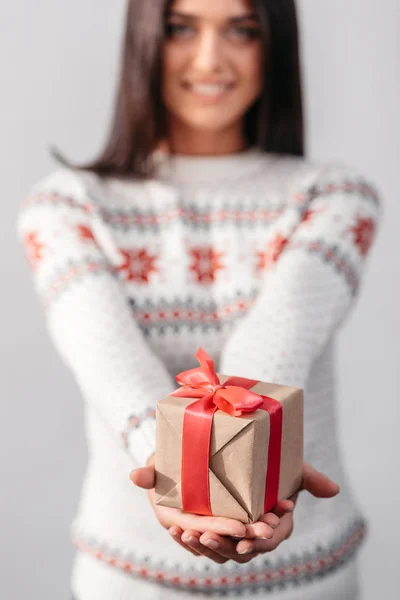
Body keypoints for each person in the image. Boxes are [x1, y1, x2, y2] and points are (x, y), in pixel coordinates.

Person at [17, 0, 381, 598]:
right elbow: (114, 370)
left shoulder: (335, 197)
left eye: (242, 30)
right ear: (144, 40)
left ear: (276, 47)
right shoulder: (66, 208)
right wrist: (184, 479)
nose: (210, 59)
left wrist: (240, 472)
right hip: (131, 580)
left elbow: (277, 342)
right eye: (181, 28)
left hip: (307, 580)